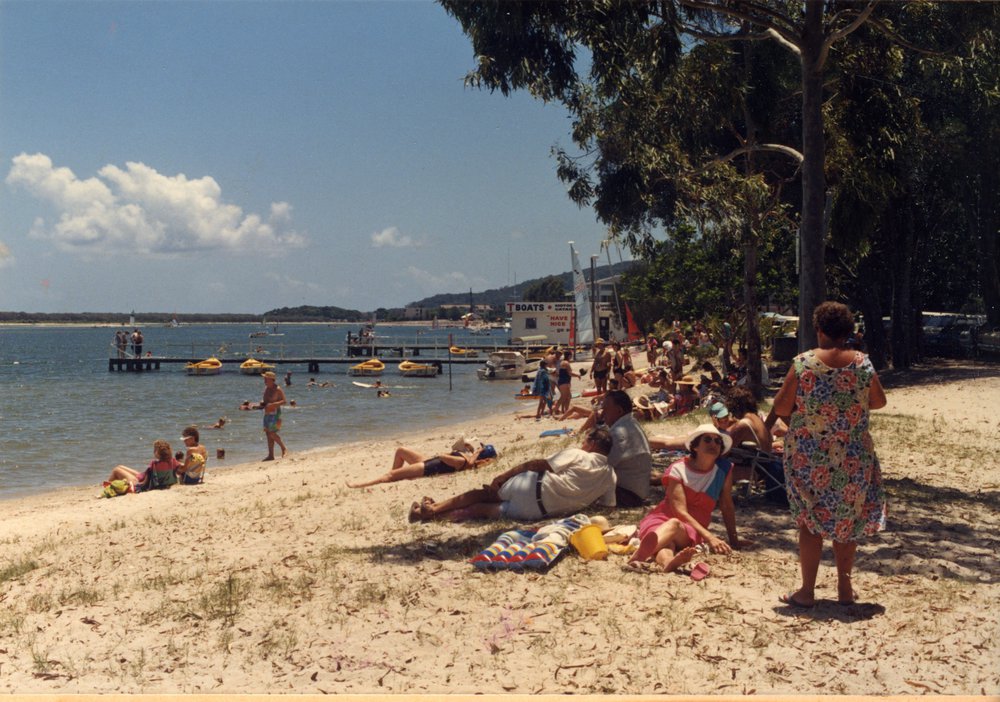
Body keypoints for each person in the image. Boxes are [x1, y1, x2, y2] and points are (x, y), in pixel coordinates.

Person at [766, 301, 887, 608]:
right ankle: (845, 590)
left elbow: (781, 407)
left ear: (818, 330)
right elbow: (878, 401)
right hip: (852, 453)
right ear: (847, 332)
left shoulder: (804, 363)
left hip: (808, 455)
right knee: (846, 520)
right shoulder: (862, 363)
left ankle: (807, 591)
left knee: (810, 521)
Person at [411, 428, 616, 523]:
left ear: (593, 444)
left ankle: (433, 509)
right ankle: (434, 516)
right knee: (481, 510)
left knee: (482, 494)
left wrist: (504, 476)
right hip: (537, 513)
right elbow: (606, 507)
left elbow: (538, 464)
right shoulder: (610, 476)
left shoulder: (579, 455)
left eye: (585, 441)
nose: (582, 444)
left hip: (532, 489)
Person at [627, 424, 751, 573]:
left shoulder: (724, 470)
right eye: (707, 440)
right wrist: (710, 537)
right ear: (695, 447)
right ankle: (665, 562)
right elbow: (680, 512)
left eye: (718, 441)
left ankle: (641, 555)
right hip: (662, 518)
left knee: (673, 527)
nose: (713, 444)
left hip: (692, 527)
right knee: (668, 541)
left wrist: (734, 539)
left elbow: (727, 505)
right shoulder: (678, 469)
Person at [348, 438, 498, 488]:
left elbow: (444, 457)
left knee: (392, 474)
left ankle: (362, 484)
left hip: (427, 468)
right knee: (401, 450)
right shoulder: (466, 459)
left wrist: (473, 453)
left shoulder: (463, 462)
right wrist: (469, 449)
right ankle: (395, 477)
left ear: (481, 455)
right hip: (430, 461)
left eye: (479, 449)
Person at [602, 390, 652, 507]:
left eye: (606, 409)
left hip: (628, 494)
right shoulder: (631, 423)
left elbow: (606, 465)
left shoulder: (619, 432)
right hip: (638, 491)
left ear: (619, 410)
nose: (602, 413)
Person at [106, 439, 179, 493]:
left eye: (155, 450)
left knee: (116, 470)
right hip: (143, 476)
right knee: (120, 466)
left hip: (138, 482)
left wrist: (136, 485)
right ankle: (111, 484)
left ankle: (107, 487)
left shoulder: (154, 464)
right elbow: (180, 470)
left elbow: (145, 483)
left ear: (157, 452)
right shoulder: (173, 461)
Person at [722, 386, 772, 453]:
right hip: (765, 461)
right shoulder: (758, 420)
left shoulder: (744, 424)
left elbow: (724, 449)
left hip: (755, 462)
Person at [261, 371, 287, 460]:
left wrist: (273, 405)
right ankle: (271, 455)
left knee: (272, 433)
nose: (264, 380)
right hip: (267, 413)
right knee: (268, 434)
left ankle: (284, 448)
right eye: (264, 378)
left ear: (271, 379)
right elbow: (265, 402)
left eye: (266, 378)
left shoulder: (278, 389)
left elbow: (284, 401)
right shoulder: (266, 388)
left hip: (275, 413)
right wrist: (260, 405)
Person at [556, 350, 574, 415]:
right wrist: (577, 375)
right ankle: (555, 410)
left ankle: (565, 410)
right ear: (569, 356)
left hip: (562, 381)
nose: (571, 357)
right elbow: (570, 373)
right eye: (571, 355)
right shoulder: (566, 363)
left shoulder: (562, 362)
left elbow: (558, 372)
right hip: (565, 382)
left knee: (567, 396)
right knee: (564, 397)